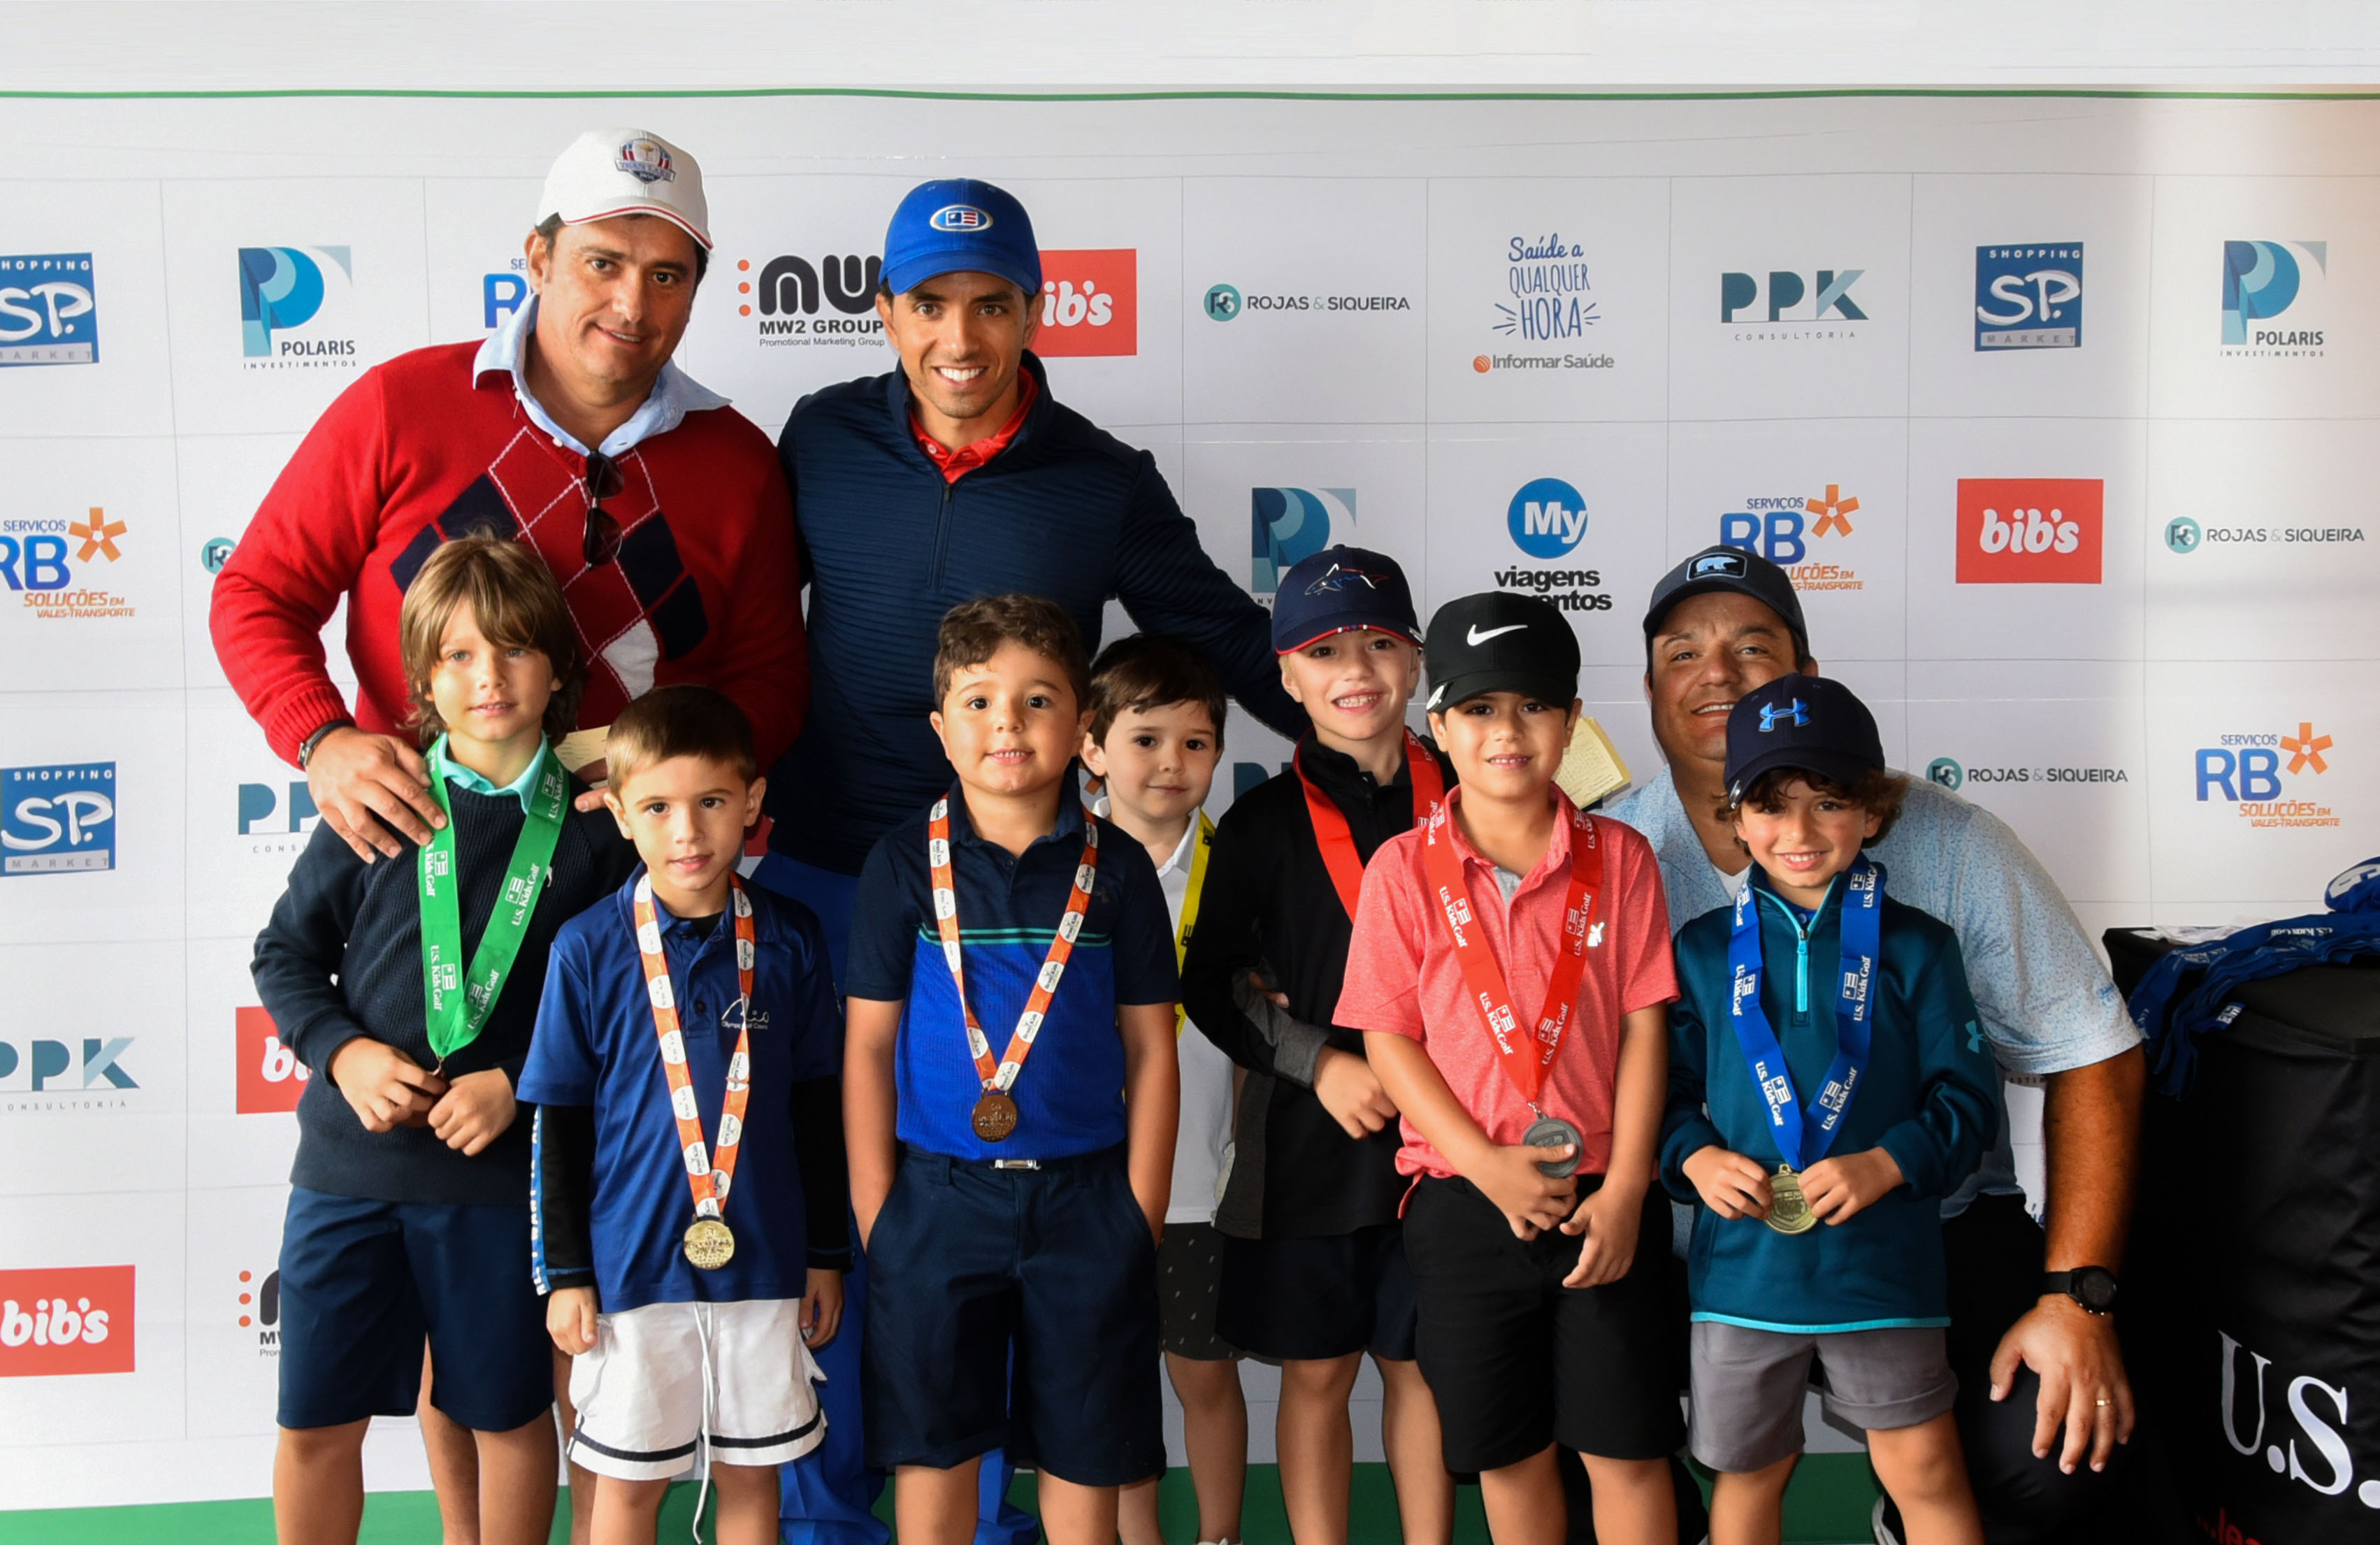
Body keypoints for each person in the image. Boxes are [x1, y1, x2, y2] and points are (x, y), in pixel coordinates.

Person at [763, 176, 1297, 1545]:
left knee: (1003, 1222)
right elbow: (748, 627)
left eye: (989, 304)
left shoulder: (1099, 479)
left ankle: (993, 1524)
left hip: (1026, 893)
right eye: (929, 304)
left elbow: (1228, 635)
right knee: (836, 1219)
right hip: (831, 872)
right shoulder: (818, 438)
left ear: (1030, 311)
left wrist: (1378, 753)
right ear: (886, 310)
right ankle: (829, 1522)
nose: (958, 335)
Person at [1599, 547, 2144, 1545]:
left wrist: (2077, 1297)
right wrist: (1686, 1154)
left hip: (1911, 1232)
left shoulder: (1942, 866)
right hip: (1715, 1249)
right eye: (1684, 652)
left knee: (2042, 1452)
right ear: (1648, 688)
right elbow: (1629, 1080)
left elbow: (2088, 1049)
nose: (1715, 673)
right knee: (1557, 1367)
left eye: (1751, 645)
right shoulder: (1604, 850)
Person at [212, 125, 805, 869]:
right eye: (603, 263)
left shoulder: (739, 461)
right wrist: (320, 737)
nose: (631, 304)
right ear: (538, 259)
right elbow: (257, 592)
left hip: (630, 873)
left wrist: (669, 769)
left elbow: (772, 677)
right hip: (419, 854)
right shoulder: (401, 406)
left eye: (666, 276)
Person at [250, 534, 635, 1545]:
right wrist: (345, 1053)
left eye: (512, 649)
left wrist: (517, 1079)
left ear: (557, 666)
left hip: (502, 1181)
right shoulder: (378, 800)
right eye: (458, 656)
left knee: (507, 1418)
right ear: (423, 676)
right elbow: (284, 955)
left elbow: (628, 1011)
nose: (488, 677)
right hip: (348, 1169)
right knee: (314, 1421)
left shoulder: (600, 830)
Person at [1338, 593, 1684, 1545]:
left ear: (1572, 720)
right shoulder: (1401, 871)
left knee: (1627, 1450)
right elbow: (1388, 1041)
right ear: (1438, 725)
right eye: (1481, 708)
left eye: (1534, 704)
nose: (1509, 729)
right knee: (1507, 1452)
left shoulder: (1623, 857)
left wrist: (1623, 1190)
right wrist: (1486, 1165)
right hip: (1463, 1200)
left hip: (1602, 1199)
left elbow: (1647, 1030)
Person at [841, 595, 1181, 1545]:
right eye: (980, 700)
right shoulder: (902, 866)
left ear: (1082, 728)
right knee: (935, 1451)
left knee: (1085, 1457)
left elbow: (1152, 1047)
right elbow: (868, 1045)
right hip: (936, 1202)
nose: (1008, 723)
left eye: (1038, 701)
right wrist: (880, 1214)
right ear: (942, 729)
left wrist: (1138, 1214)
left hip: (1088, 1202)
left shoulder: (1116, 869)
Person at [1663, 674, 1998, 1545]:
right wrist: (1692, 1154)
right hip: (1742, 1274)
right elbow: (1657, 1093)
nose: (1800, 832)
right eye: (1771, 806)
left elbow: (1968, 1097)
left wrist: (1888, 1161)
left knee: (1924, 1469)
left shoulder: (1921, 944)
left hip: (1883, 1270)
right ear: (1735, 818)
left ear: (1873, 812)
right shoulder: (1700, 950)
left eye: (1829, 803)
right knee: (1746, 1478)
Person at [521, 687, 851, 1545]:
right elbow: (559, 1122)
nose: (688, 832)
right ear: (621, 815)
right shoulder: (587, 946)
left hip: (768, 1262)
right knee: (628, 1488)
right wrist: (566, 1273)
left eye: (711, 801)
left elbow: (818, 1106)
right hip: (630, 1268)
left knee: (753, 1478)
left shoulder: (792, 937)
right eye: (659, 806)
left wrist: (824, 1253)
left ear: (752, 802)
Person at [1180, 546, 1455, 1545]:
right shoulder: (1254, 825)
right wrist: (1319, 1062)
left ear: (1417, 661)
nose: (1357, 670)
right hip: (1315, 1141)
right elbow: (1208, 982)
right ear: (1286, 675)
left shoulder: (1475, 795)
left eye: (1381, 644)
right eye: (1324, 649)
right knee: (1319, 1370)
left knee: (1421, 1362)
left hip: (1457, 1133)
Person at [1080, 637, 1248, 1545]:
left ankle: (1218, 1534)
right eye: (1146, 739)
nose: (1173, 764)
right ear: (1092, 747)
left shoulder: (1241, 876)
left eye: (1196, 742)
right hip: (1082, 1184)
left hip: (1201, 1188)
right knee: (1108, 1383)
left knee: (1203, 1375)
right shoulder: (1055, 872)